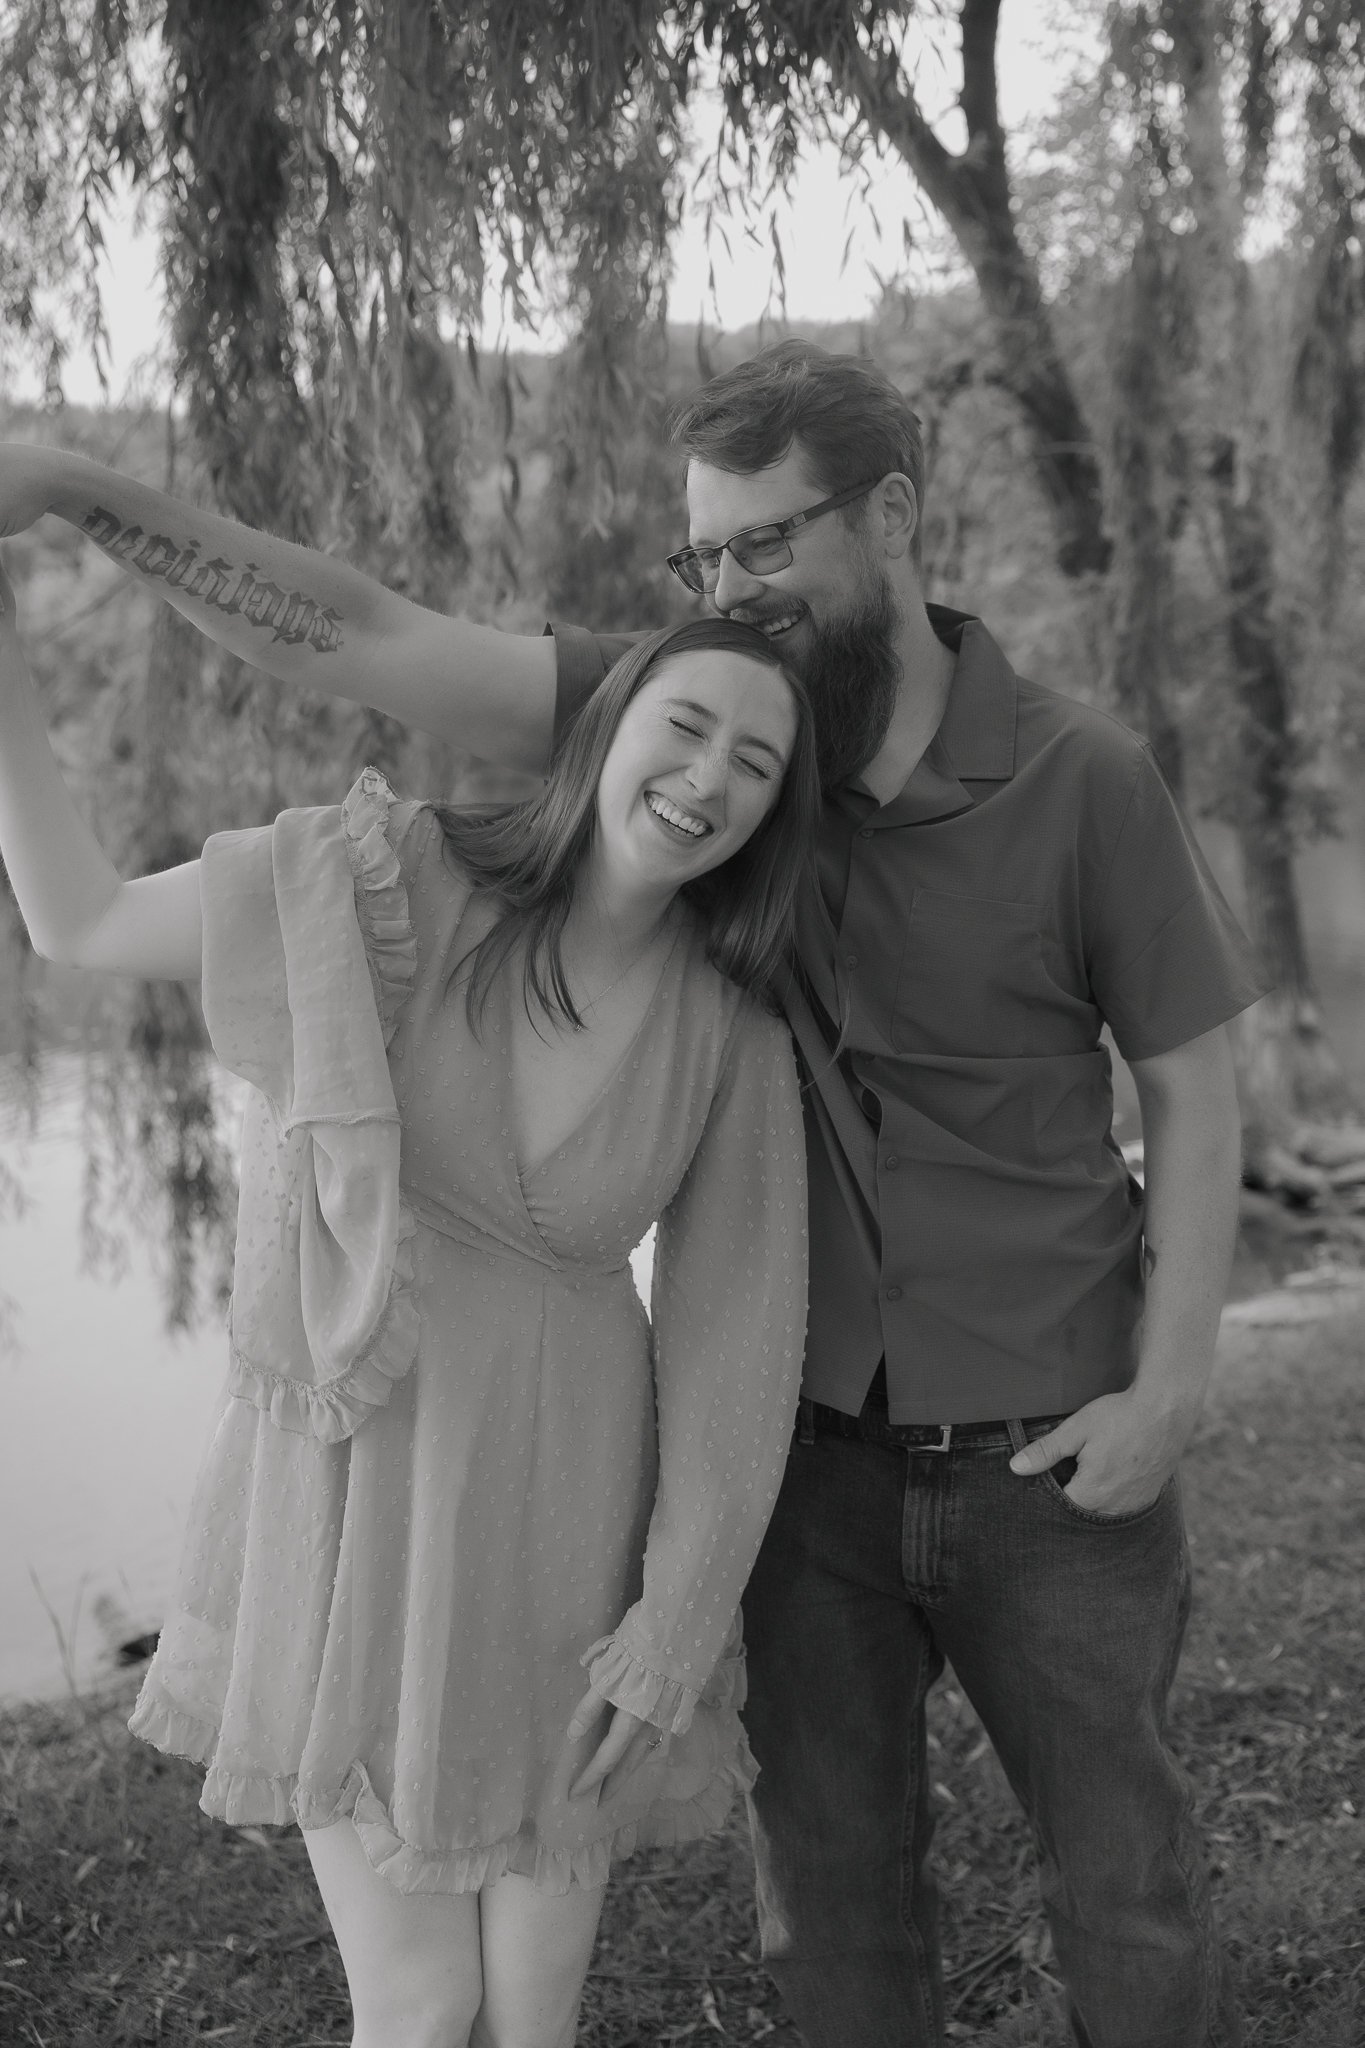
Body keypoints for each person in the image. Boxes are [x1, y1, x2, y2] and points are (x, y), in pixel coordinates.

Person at [0, 338, 1264, 2048]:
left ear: (889, 518)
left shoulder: (1072, 774)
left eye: (768, 544)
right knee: (829, 1903)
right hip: (805, 1465)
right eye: (704, 557)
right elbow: (360, 637)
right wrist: (74, 497)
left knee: (1124, 1881)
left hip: (1052, 1436)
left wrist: (1171, 1385)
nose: (732, 591)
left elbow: (1189, 1083)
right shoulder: (686, 709)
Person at [0, 561, 819, 2048]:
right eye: (686, 726)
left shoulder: (732, 1030)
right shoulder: (388, 880)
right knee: (423, 2003)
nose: (708, 780)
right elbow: (81, 919)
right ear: (610, 723)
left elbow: (733, 1352)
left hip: (560, 1536)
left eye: (753, 765)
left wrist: (672, 1628)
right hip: (354, 1510)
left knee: (533, 2012)